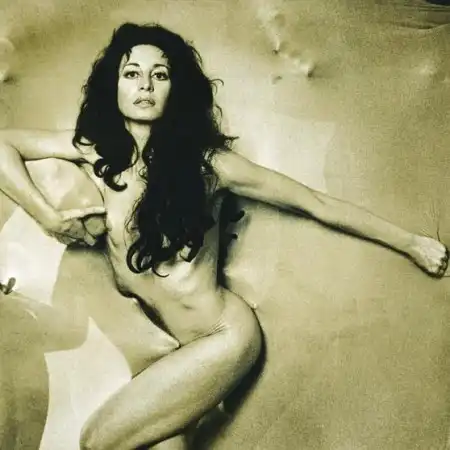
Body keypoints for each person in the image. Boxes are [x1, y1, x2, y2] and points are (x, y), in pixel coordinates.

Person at [0, 22, 448, 450]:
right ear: (113, 86)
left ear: (177, 89)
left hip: (220, 338)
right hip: (161, 349)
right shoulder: (97, 155)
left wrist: (411, 243)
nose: (145, 86)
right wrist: (48, 217)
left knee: (98, 440)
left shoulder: (210, 165)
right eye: (132, 73)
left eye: (160, 75)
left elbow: (315, 202)